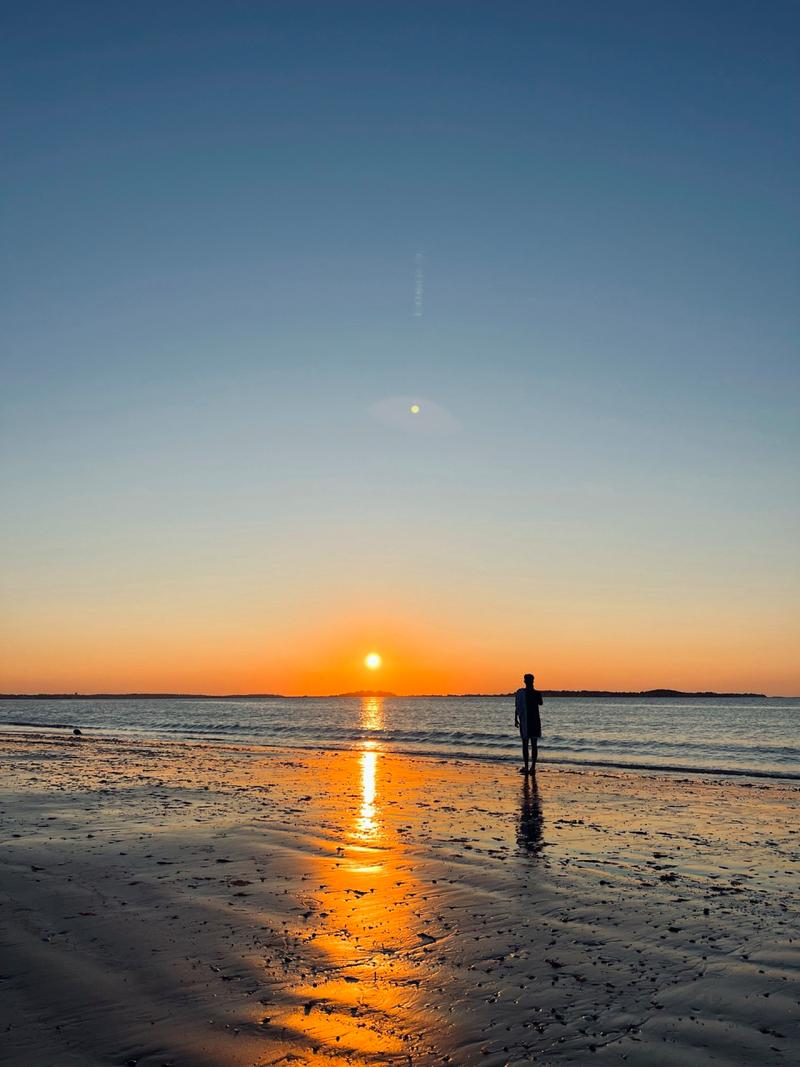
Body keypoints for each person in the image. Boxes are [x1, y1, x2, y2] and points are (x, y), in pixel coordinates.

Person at [514, 672, 543, 774]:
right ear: (532, 681)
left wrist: (515, 718)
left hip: (527, 721)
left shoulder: (521, 693)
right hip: (532, 721)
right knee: (533, 744)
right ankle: (531, 767)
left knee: (526, 744)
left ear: (525, 681)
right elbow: (540, 703)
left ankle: (528, 767)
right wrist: (516, 718)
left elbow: (517, 707)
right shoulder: (535, 693)